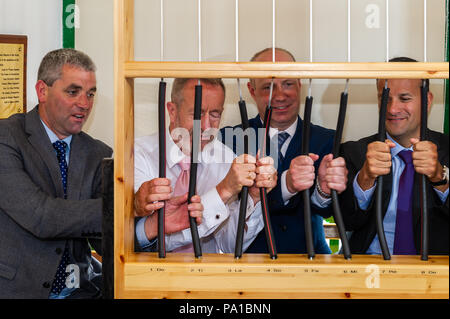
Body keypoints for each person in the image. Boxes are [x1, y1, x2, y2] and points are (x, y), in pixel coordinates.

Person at [0, 48, 113, 299]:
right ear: (42, 91)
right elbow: (41, 216)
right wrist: (121, 205)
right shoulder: (7, 138)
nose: (84, 104)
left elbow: (104, 239)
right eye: (73, 92)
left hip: (81, 292)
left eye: (90, 94)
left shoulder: (98, 153)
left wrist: (147, 222)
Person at [221, 48, 348, 254]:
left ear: (299, 85)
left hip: (311, 264)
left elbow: (328, 210)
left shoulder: (327, 140)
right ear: (251, 91)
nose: (280, 96)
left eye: (288, 84)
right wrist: (285, 185)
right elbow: (227, 211)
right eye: (268, 87)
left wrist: (323, 191)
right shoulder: (229, 140)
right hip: (250, 266)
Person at [134, 78, 277, 253]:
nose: (206, 126)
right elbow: (155, 239)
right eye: (197, 114)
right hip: (147, 276)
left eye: (215, 114)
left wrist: (254, 199)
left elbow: (228, 246)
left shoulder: (226, 160)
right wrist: (223, 190)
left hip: (207, 277)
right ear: (172, 111)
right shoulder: (136, 155)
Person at [339, 57, 449, 255]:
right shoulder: (355, 152)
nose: (392, 109)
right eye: (385, 98)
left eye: (404, 99)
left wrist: (441, 179)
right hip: (369, 273)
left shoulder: (447, 150)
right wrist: (365, 179)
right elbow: (347, 221)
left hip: (435, 276)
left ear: (427, 100)